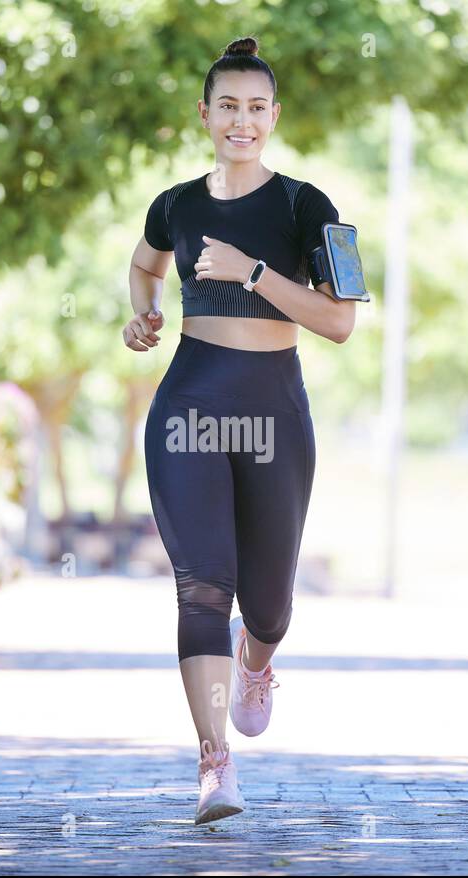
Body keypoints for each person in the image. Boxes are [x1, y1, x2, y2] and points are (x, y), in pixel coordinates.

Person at [124, 36, 356, 824]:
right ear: (205, 114)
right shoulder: (175, 204)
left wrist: (254, 272)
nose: (242, 121)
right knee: (199, 588)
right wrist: (144, 311)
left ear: (274, 117)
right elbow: (145, 263)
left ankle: (259, 658)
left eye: (257, 107)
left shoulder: (306, 206)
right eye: (228, 106)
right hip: (189, 401)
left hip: (273, 412)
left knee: (268, 605)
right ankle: (213, 765)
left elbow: (341, 323)